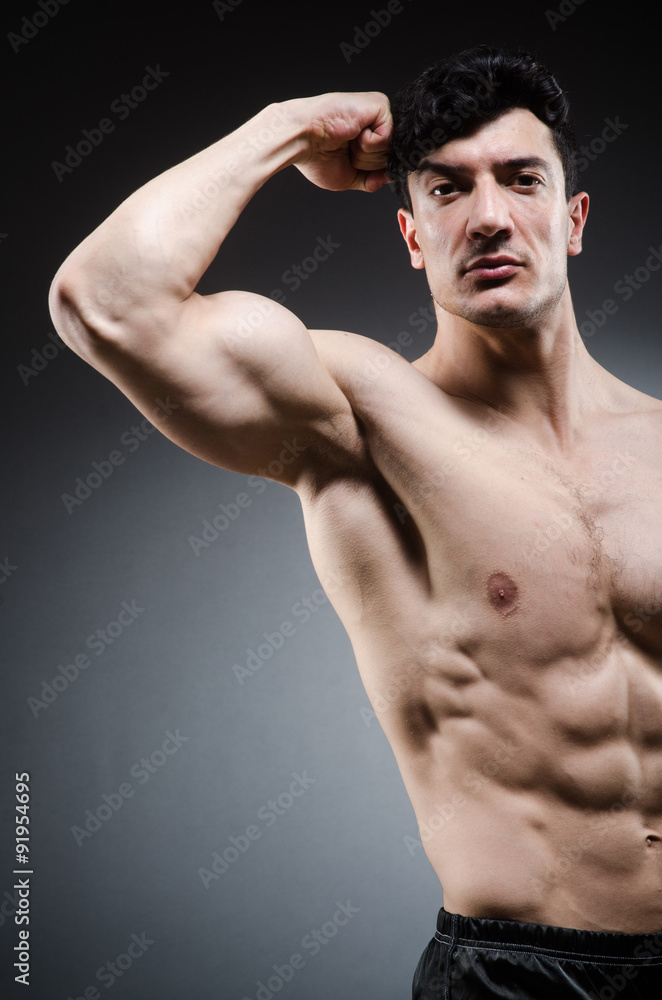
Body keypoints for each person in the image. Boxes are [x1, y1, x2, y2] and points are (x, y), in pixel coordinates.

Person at [49, 44, 662, 999]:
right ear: (414, 237)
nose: (490, 216)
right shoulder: (354, 415)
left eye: (521, 179)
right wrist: (288, 127)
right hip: (520, 974)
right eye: (447, 190)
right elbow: (106, 304)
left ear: (572, 218)